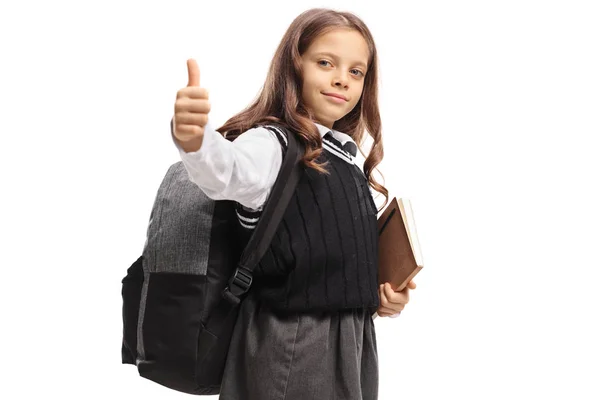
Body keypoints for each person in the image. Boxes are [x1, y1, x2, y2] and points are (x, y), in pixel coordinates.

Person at [171, 8, 417, 400]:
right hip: (292, 341)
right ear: (294, 64)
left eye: (357, 71)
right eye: (325, 63)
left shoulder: (347, 158)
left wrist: (381, 297)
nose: (342, 78)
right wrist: (193, 138)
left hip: (351, 343)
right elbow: (227, 171)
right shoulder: (273, 143)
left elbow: (327, 260)